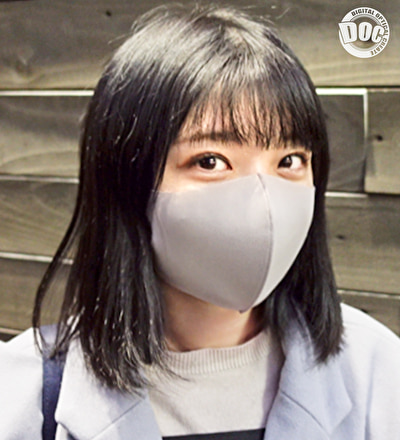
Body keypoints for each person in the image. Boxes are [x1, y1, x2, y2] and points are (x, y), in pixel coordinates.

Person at [1, 4, 400, 440]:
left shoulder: (376, 369)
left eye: (289, 160)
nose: (264, 202)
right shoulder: (24, 393)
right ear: (127, 178)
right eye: (210, 160)